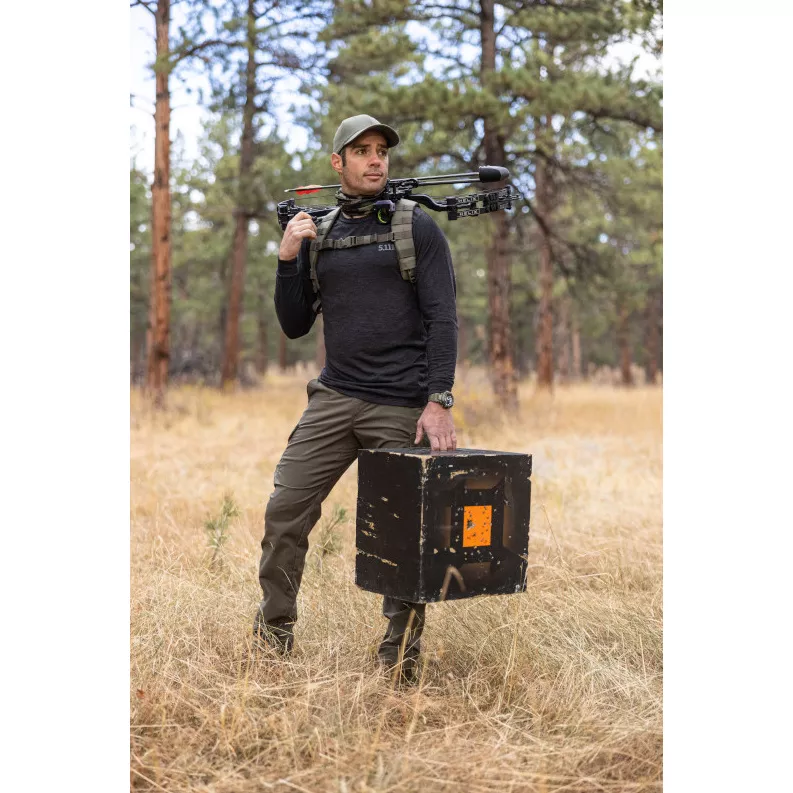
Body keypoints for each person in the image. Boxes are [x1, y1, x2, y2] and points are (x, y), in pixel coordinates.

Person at [253, 114, 458, 681]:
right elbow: (295, 324)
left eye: (381, 152)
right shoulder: (321, 232)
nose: (375, 160)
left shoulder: (415, 227)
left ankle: (399, 661)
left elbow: (443, 319)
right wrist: (287, 258)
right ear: (337, 162)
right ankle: (273, 639)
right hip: (335, 397)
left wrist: (439, 400)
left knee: (400, 533)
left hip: (400, 404)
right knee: (285, 512)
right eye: (362, 151)